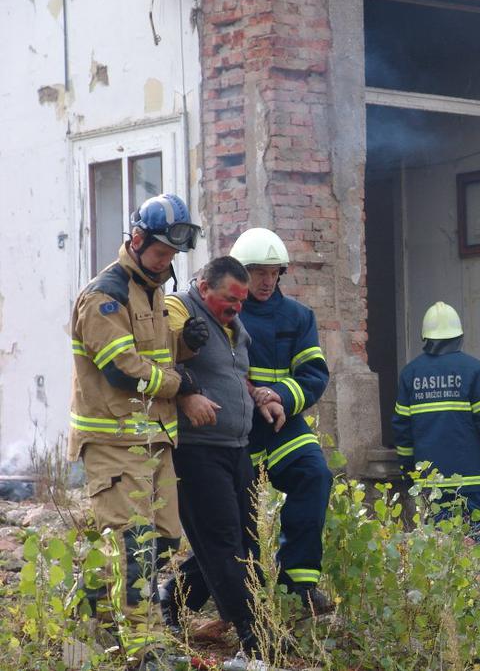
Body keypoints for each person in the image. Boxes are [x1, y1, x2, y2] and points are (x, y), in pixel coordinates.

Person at [68, 193, 207, 657]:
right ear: (138, 239)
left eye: (172, 255)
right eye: (161, 252)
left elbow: (153, 348)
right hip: (113, 440)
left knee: (165, 539)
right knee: (136, 546)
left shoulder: (152, 289)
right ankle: (145, 646)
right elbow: (121, 368)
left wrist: (186, 343)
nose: (166, 262)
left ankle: (89, 604)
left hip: (153, 438)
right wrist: (180, 383)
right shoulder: (104, 296)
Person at [159, 256, 281, 654]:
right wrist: (186, 393)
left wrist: (257, 394)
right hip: (198, 450)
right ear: (203, 287)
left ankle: (171, 599)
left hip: (237, 447)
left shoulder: (233, 325)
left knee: (245, 541)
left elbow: (234, 373)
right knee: (224, 544)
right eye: (230, 298)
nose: (237, 307)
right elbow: (162, 348)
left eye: (242, 300)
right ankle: (254, 636)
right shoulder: (180, 307)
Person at [229, 227, 334, 614]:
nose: (267, 281)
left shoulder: (299, 317)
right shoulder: (226, 314)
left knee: (315, 475)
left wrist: (281, 397)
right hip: (238, 427)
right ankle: (241, 599)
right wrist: (256, 397)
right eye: (259, 272)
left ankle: (299, 587)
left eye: (274, 273)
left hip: (281, 423)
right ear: (241, 272)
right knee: (235, 512)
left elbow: (313, 375)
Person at [392, 301, 480, 533]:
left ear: (425, 337)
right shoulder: (474, 369)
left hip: (430, 482)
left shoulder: (410, 374)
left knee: (437, 542)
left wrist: (407, 467)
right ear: (459, 336)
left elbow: (402, 428)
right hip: (470, 479)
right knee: (478, 538)